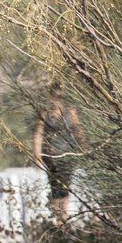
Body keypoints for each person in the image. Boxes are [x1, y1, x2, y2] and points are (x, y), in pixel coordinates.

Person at [33, 82, 82, 222]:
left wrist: (83, 148)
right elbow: (38, 134)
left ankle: (64, 216)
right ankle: (58, 219)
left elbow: (77, 130)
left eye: (59, 96)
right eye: (54, 96)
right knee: (55, 187)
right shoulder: (45, 113)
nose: (56, 99)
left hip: (67, 155)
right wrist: (37, 155)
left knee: (65, 186)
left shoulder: (70, 112)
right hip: (51, 156)